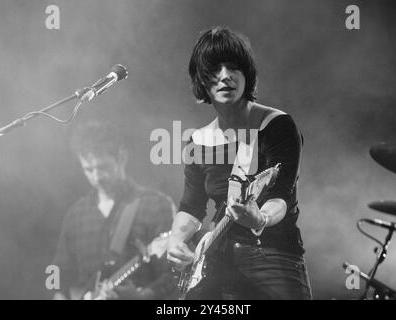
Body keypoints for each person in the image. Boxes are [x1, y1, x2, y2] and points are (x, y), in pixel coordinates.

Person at [166, 26, 312, 300]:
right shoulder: (197, 141)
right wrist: (176, 240)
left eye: (233, 67)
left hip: (270, 256)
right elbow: (191, 206)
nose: (225, 76)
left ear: (247, 75)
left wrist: (261, 218)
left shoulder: (276, 125)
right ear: (201, 81)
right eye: (214, 69)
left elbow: (281, 195)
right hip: (214, 263)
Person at [52, 120, 177, 300]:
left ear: (122, 157)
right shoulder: (75, 215)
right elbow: (57, 270)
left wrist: (143, 297)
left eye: (103, 167)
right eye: (88, 169)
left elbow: (175, 273)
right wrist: (57, 294)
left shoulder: (156, 205)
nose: (97, 177)